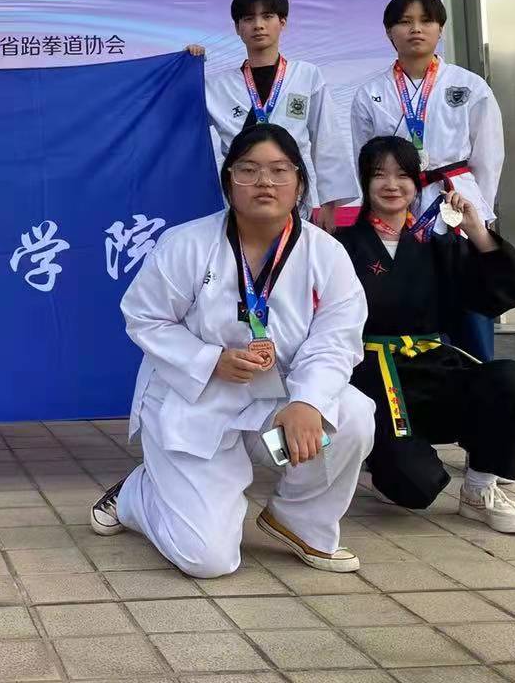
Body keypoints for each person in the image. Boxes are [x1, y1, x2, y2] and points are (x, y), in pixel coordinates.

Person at [89, 124, 374, 577]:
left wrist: (307, 401)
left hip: (276, 408)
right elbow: (144, 316)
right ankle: (138, 494)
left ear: (300, 183)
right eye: (249, 170)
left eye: (279, 171)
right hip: (198, 404)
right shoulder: (187, 244)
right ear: (228, 181)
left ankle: (299, 519)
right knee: (208, 560)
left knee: (351, 415)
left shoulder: (327, 254)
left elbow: (336, 338)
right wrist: (210, 360)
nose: (265, 183)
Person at [334, 136, 515, 532]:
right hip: (373, 375)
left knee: (511, 380)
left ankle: (479, 489)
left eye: (403, 175)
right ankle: (378, 459)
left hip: (433, 365)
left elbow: (502, 293)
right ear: (364, 181)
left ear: (417, 183)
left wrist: (477, 232)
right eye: (379, 175)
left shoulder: (438, 246)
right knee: (415, 487)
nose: (392, 185)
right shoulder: (340, 245)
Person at [350, 0, 504, 360]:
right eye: (404, 22)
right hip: (398, 206)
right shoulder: (371, 93)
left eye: (425, 21)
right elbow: (364, 160)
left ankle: (476, 371)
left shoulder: (468, 86)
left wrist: (478, 213)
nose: (415, 29)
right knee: (408, 293)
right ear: (389, 32)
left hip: (454, 202)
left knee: (467, 296)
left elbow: (488, 155)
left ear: (440, 29)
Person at [185, 0, 355, 232]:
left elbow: (326, 139)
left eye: (267, 16)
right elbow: (179, 123)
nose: (258, 25)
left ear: (282, 22)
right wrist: (186, 68)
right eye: (248, 19)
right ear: (237, 28)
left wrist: (330, 203)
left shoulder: (306, 75)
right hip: (241, 190)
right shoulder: (217, 86)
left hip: (291, 189)